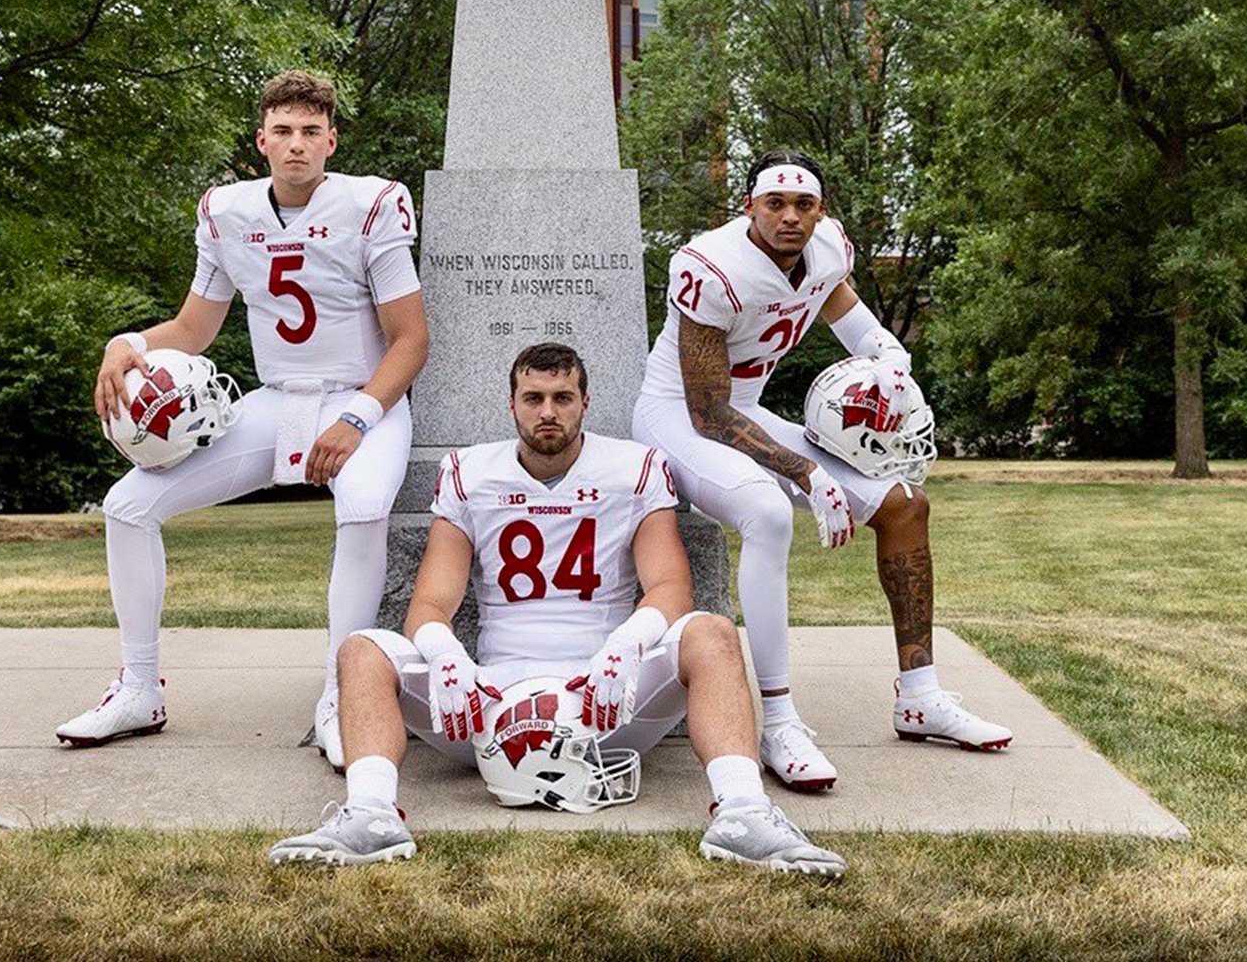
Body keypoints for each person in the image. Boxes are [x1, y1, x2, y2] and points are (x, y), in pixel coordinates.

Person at [268, 344, 846, 875]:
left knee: (712, 634)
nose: (549, 411)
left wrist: (629, 644)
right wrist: (445, 655)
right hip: (490, 698)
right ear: (512, 404)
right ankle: (370, 814)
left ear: (585, 403)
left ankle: (743, 812)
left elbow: (670, 586)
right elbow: (431, 601)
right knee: (362, 650)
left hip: (608, 696)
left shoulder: (634, 466)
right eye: (534, 398)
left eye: (563, 398)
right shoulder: (470, 471)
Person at [55, 70, 428, 759]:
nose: (296, 146)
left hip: (361, 398)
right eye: (283, 132)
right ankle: (140, 688)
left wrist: (360, 419)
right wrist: (126, 343)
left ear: (331, 142)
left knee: (366, 503)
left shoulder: (373, 204)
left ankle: (340, 696)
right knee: (127, 506)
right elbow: (193, 329)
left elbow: (411, 339)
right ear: (261, 140)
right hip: (278, 400)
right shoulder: (227, 212)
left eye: (310, 133)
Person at [631, 151, 1011, 792]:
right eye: (774, 203)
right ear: (749, 207)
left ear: (820, 213)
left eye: (803, 205)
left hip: (745, 412)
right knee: (769, 512)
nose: (789, 217)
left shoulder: (827, 250)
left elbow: (849, 318)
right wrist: (806, 471)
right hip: (678, 419)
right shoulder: (710, 265)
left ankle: (918, 693)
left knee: (902, 503)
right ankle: (777, 719)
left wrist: (889, 357)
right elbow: (708, 411)